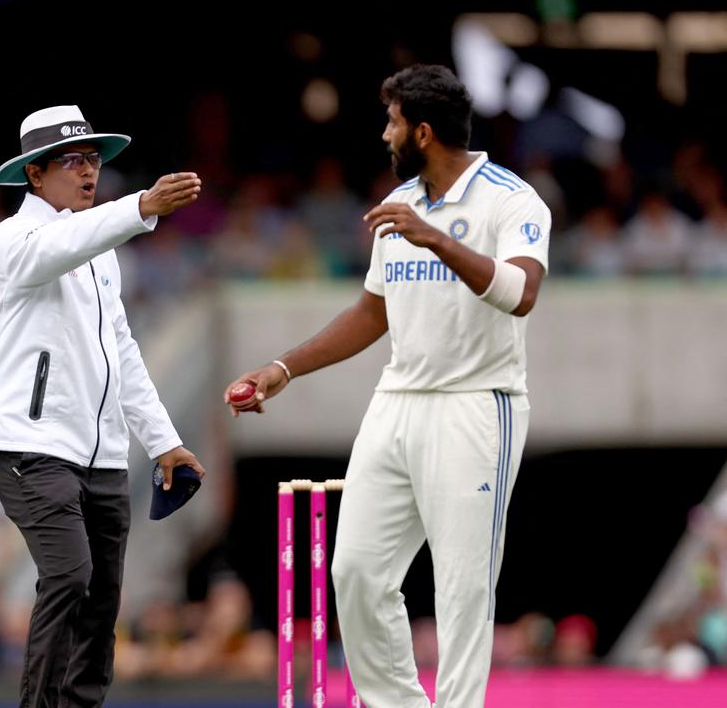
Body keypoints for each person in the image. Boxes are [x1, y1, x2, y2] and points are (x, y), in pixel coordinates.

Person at [226, 65, 551, 708]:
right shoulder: (400, 203)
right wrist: (282, 368)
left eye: (393, 121)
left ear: (423, 131)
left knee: (462, 589)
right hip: (396, 403)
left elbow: (522, 294)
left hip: (476, 405)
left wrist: (436, 239)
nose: (385, 134)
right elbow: (372, 312)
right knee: (355, 575)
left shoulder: (513, 200)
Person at [0, 105, 206, 707]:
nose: (89, 171)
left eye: (94, 159)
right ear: (34, 174)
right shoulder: (13, 238)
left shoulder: (101, 246)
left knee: (102, 598)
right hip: (31, 445)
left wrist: (163, 440)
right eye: (73, 161)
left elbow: (121, 350)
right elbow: (58, 247)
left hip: (100, 453)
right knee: (69, 575)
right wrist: (140, 209)